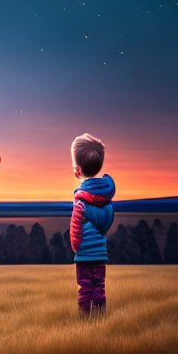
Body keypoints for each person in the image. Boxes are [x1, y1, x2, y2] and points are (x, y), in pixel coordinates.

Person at [69, 133, 115, 316]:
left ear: (77, 170)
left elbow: (75, 229)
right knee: (99, 288)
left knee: (85, 288)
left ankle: (85, 321)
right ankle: (100, 318)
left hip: (84, 255)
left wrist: (76, 247)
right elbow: (106, 220)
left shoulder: (80, 202)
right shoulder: (105, 199)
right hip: (100, 254)